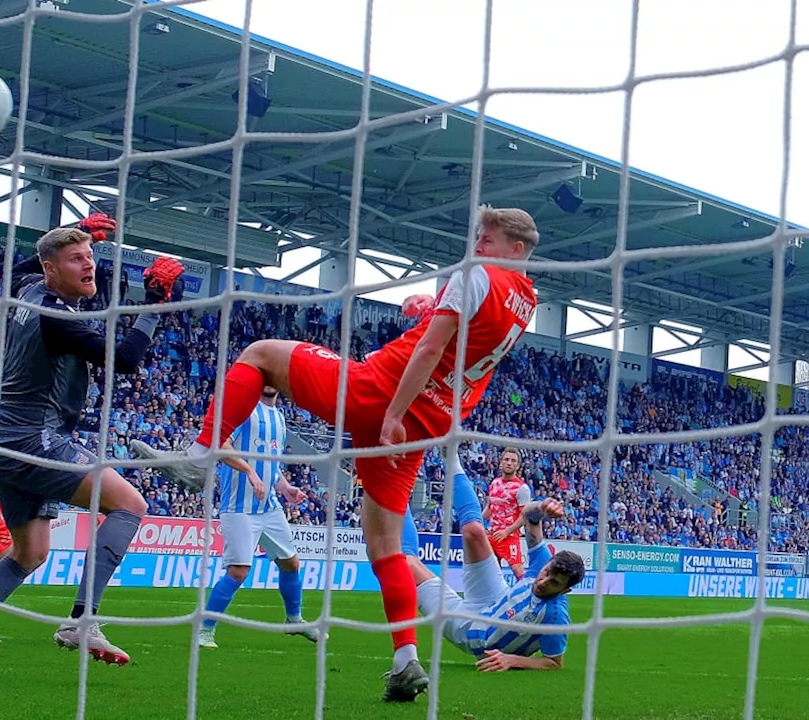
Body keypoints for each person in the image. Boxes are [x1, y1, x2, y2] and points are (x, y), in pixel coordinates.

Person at [135, 205, 540, 701]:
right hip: (429, 424)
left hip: (380, 395)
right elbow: (462, 342)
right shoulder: (527, 301)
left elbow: (432, 348)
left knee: (260, 353)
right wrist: (428, 314)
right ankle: (405, 659)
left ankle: (200, 455)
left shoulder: (476, 275)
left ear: (516, 249)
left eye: (489, 239)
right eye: (477, 237)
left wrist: (392, 409)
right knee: (386, 548)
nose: (477, 246)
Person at [0, 215, 188, 675]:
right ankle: (81, 620)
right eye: (76, 259)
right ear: (51, 269)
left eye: (90, 257)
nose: (90, 267)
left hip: (6, 445)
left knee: (29, 554)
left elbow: (21, 268)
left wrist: (74, 230)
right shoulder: (55, 315)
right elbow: (124, 360)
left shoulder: (27, 291)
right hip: (36, 439)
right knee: (130, 505)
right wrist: (154, 307)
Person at [406, 457, 584, 671]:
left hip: (469, 629)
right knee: (474, 531)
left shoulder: (555, 616)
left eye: (554, 583)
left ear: (566, 590)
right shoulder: (543, 562)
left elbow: (554, 663)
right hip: (494, 597)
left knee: (408, 564)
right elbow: (529, 515)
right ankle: (451, 455)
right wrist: (543, 506)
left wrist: (512, 660)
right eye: (546, 572)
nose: (543, 581)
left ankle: (392, 492)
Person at [197, 388, 319, 649]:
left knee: (291, 563)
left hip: (269, 507)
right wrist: (249, 472)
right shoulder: (243, 409)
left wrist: (285, 488)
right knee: (238, 571)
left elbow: (271, 464)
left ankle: (294, 619)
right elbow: (221, 445)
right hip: (239, 506)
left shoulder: (280, 417)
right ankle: (205, 629)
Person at [484, 448, 531, 579]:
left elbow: (525, 516)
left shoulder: (522, 488)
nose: (509, 463)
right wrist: (476, 522)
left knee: (518, 572)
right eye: (506, 459)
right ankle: (498, 599)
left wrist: (506, 531)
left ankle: (529, 598)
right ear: (501, 463)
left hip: (509, 536)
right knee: (492, 574)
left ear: (517, 465)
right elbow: (489, 509)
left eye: (513, 461)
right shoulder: (494, 483)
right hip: (492, 535)